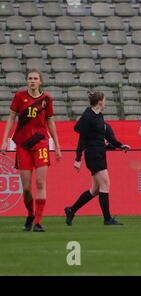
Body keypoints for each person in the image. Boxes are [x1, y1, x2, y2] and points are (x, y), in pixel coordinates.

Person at [1, 70, 62, 232]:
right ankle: (30, 214)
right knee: (26, 188)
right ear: (26, 81)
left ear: (40, 81)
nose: (32, 81)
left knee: (40, 183)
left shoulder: (46, 99)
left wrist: (56, 145)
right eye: (30, 79)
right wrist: (5, 140)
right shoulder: (20, 97)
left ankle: (38, 222)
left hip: (41, 144)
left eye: (35, 79)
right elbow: (11, 118)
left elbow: (50, 121)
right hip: (23, 145)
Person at [64, 91, 130, 226]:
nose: (105, 103)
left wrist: (120, 145)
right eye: (104, 100)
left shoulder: (99, 116)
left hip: (100, 153)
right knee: (105, 184)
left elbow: (108, 137)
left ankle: (71, 210)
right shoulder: (88, 116)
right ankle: (107, 219)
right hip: (93, 154)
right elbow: (81, 138)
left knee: (94, 190)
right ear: (100, 101)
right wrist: (78, 158)